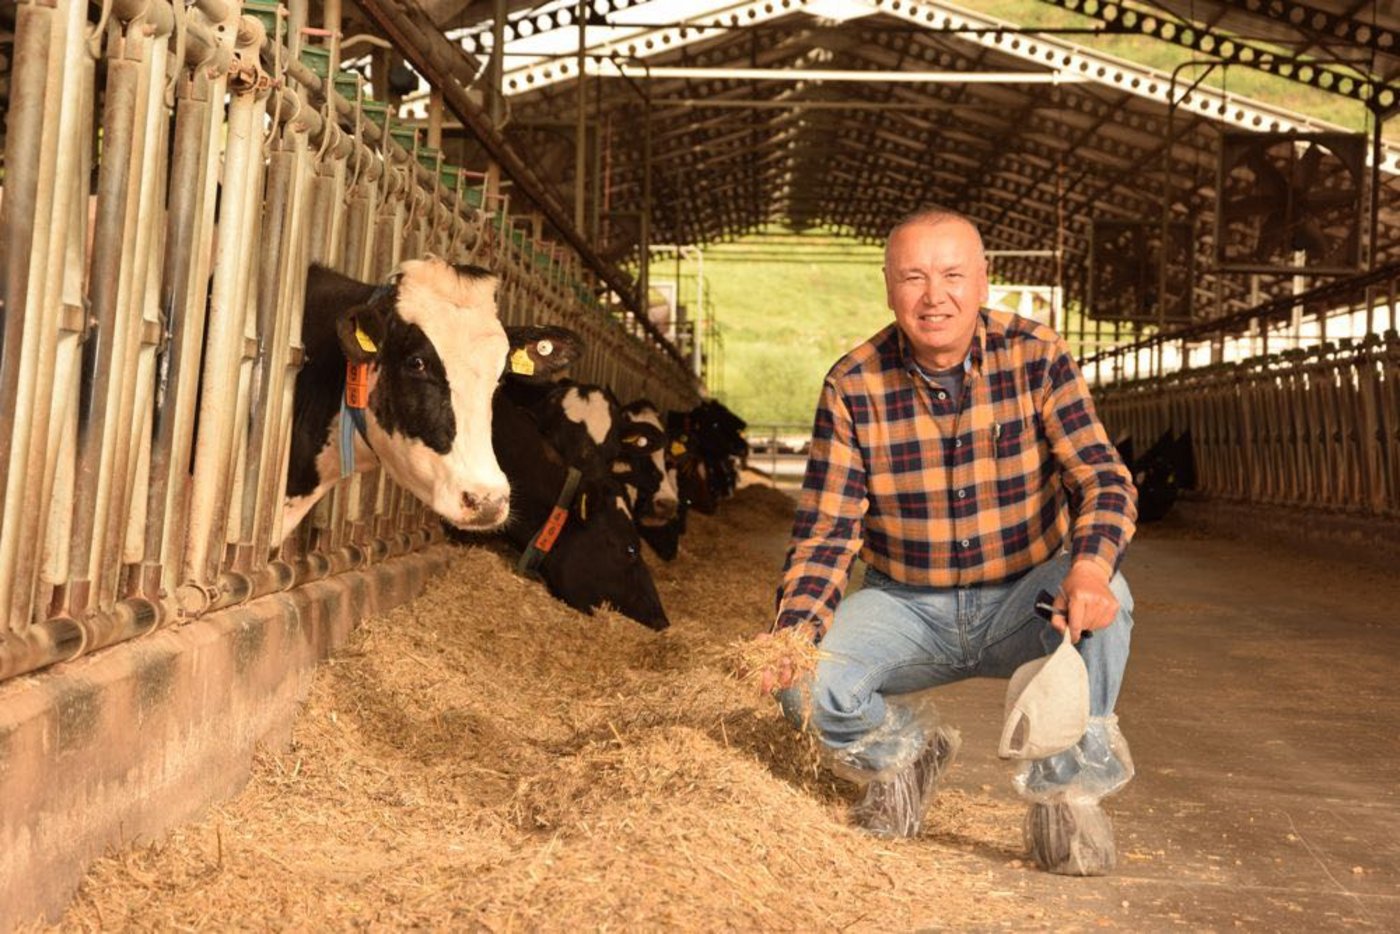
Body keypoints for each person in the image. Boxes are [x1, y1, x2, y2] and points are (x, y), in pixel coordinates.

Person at [754, 208, 1138, 876]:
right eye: (914, 277)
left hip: (1026, 596)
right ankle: (904, 755)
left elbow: (1103, 478)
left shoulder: (1036, 355)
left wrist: (1089, 568)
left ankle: (1064, 792)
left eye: (954, 274)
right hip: (906, 607)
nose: (936, 296)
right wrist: (792, 630)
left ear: (983, 280)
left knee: (1112, 601)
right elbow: (827, 531)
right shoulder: (854, 385)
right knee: (803, 683)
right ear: (888, 287)